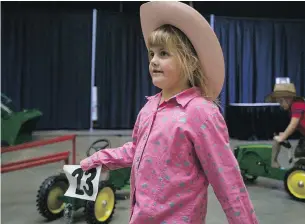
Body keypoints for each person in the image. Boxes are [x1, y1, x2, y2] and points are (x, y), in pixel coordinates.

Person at [80, 2, 259, 223]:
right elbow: (137, 150)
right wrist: (100, 159)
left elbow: (227, 181)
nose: (154, 60)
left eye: (164, 53)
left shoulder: (200, 113)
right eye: (152, 53)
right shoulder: (149, 107)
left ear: (190, 62)